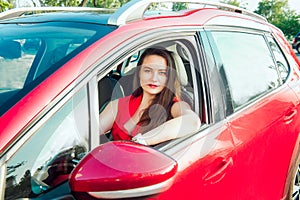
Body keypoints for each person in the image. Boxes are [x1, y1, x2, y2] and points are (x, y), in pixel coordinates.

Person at [99, 48, 201, 145]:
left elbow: (192, 121)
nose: (154, 78)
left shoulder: (174, 105)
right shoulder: (118, 104)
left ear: (168, 77)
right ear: (139, 73)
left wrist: (143, 141)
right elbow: (89, 133)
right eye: (148, 71)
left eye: (162, 73)